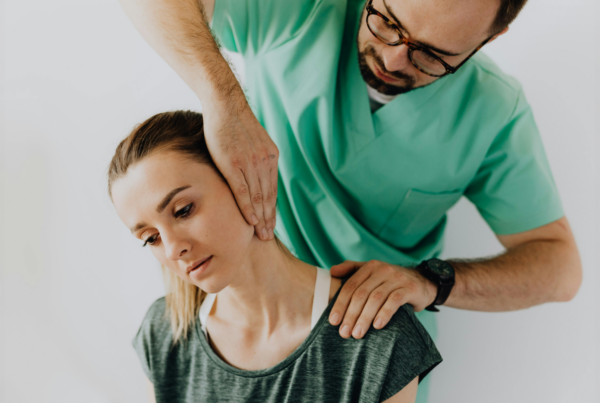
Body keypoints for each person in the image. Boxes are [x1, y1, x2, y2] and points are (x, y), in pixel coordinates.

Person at [117, 0, 582, 400]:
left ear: (491, 36)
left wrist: (430, 282)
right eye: (389, 22)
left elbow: (560, 269)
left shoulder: (493, 111)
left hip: (360, 339)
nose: (396, 59)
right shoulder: (301, 13)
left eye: (434, 56)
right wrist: (224, 103)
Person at [108, 110, 442, 403]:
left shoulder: (377, 335)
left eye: (183, 210)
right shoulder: (165, 332)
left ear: (246, 180)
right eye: (150, 238)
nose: (171, 249)